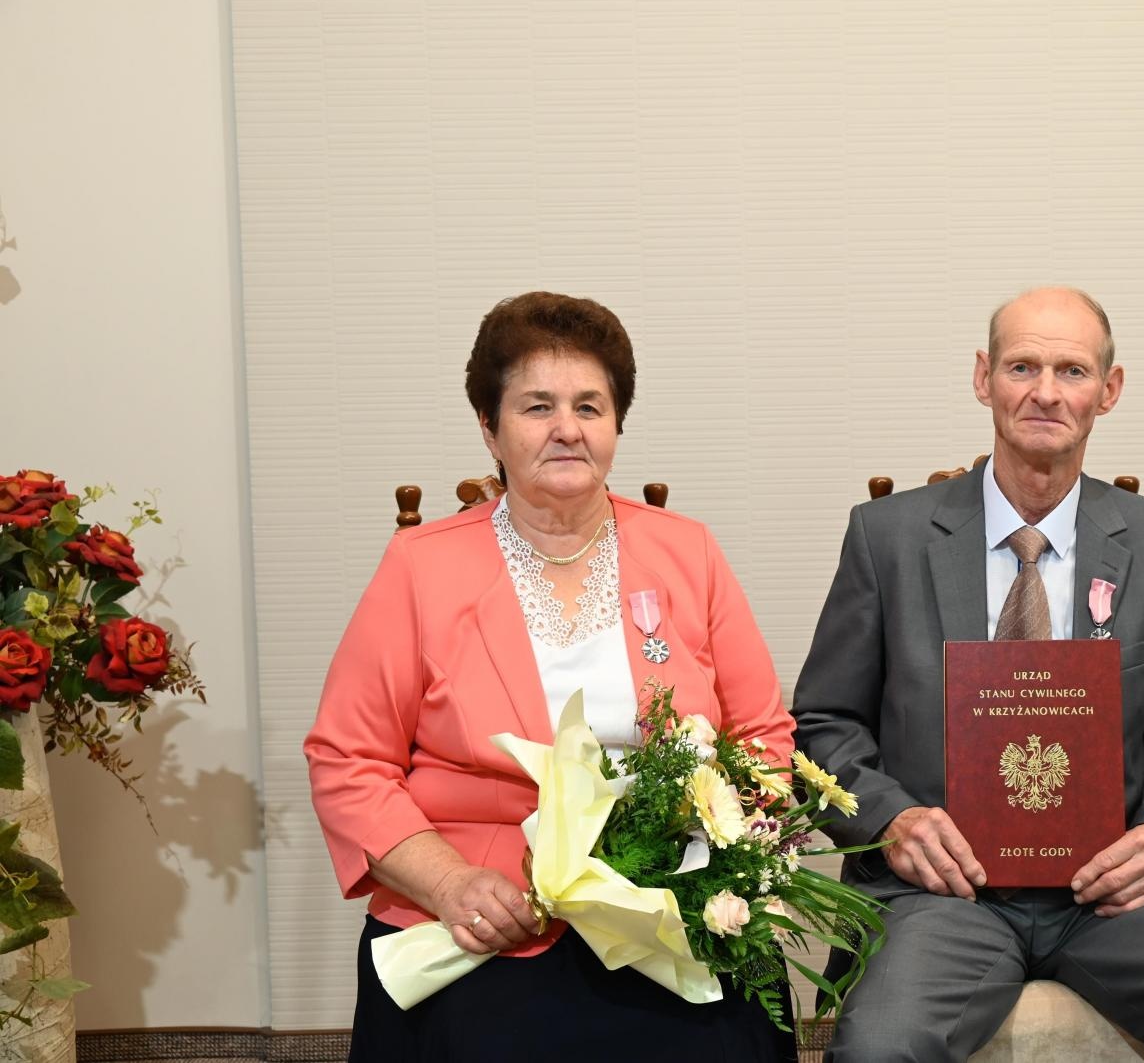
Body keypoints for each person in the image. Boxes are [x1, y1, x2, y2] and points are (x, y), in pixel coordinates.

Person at [792, 287, 1144, 1062]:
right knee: (879, 1048)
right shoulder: (886, 538)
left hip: (1111, 897)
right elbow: (825, 725)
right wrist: (894, 821)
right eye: (1022, 365)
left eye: (1071, 370)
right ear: (982, 377)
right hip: (945, 894)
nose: (1044, 391)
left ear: (1110, 389)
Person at [305, 292, 797, 1062]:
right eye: (538, 406)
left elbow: (763, 737)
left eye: (589, 406)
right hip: (489, 915)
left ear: (616, 425)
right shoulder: (421, 567)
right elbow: (347, 761)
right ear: (489, 428)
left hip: (671, 902)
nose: (567, 428)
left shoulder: (688, 552)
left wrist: (711, 856)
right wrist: (449, 884)